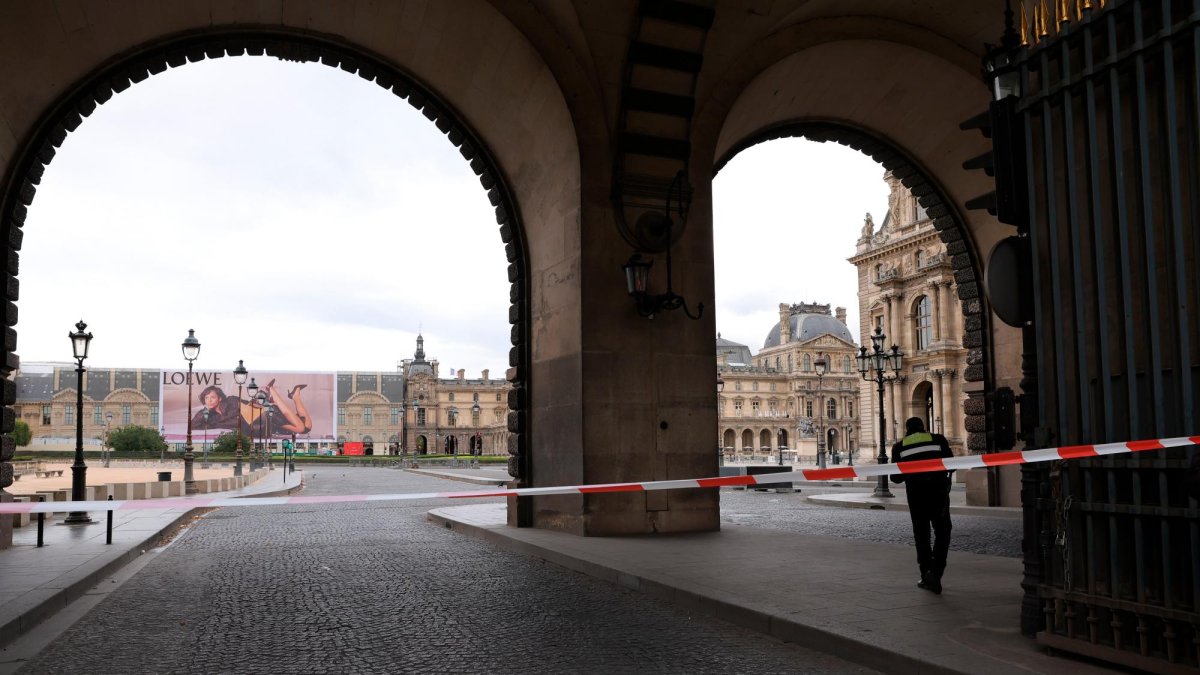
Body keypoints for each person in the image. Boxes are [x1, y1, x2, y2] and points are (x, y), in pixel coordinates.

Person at [890, 416, 955, 594]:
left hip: (917, 496)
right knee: (943, 532)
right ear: (923, 427)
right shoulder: (938, 439)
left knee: (922, 535)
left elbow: (895, 478)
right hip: (939, 494)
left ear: (906, 429)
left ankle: (926, 574)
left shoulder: (900, 446)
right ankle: (936, 572)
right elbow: (952, 466)